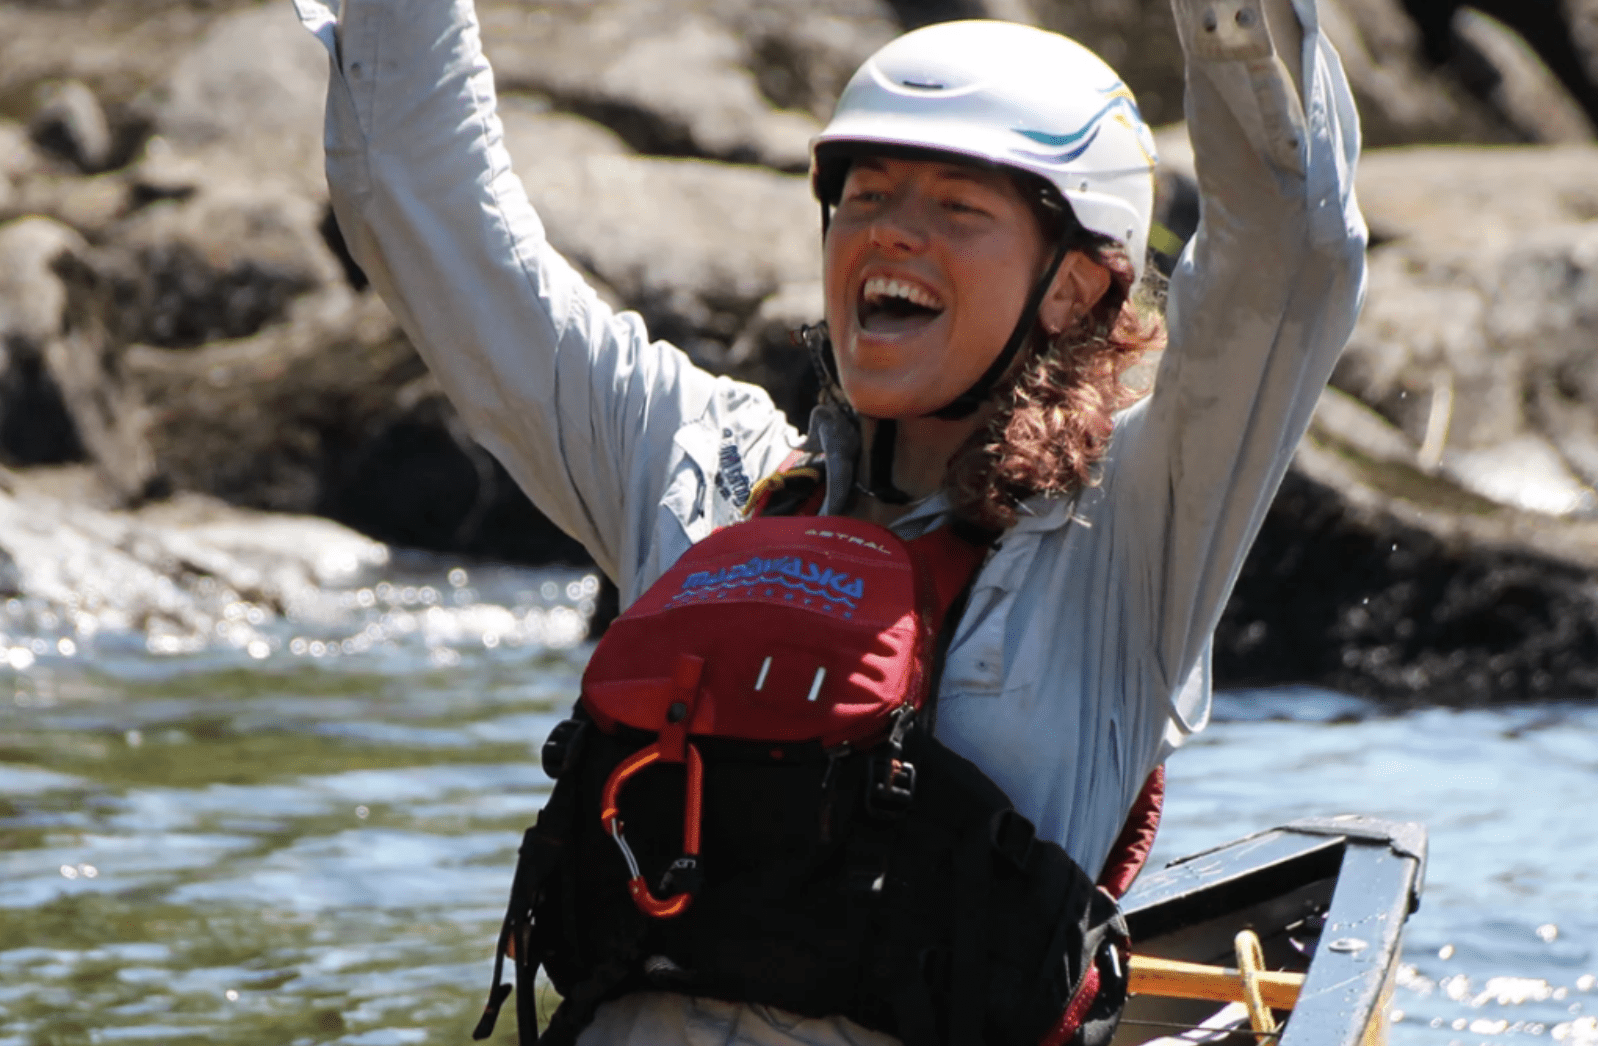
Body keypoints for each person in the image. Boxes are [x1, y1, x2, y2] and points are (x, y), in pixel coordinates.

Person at [293, 0, 1366, 1042]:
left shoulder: (1133, 529)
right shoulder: (703, 475)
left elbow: (1292, 251)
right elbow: (412, 197)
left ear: (1073, 286)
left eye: (955, 206)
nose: (889, 231)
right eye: (862, 195)